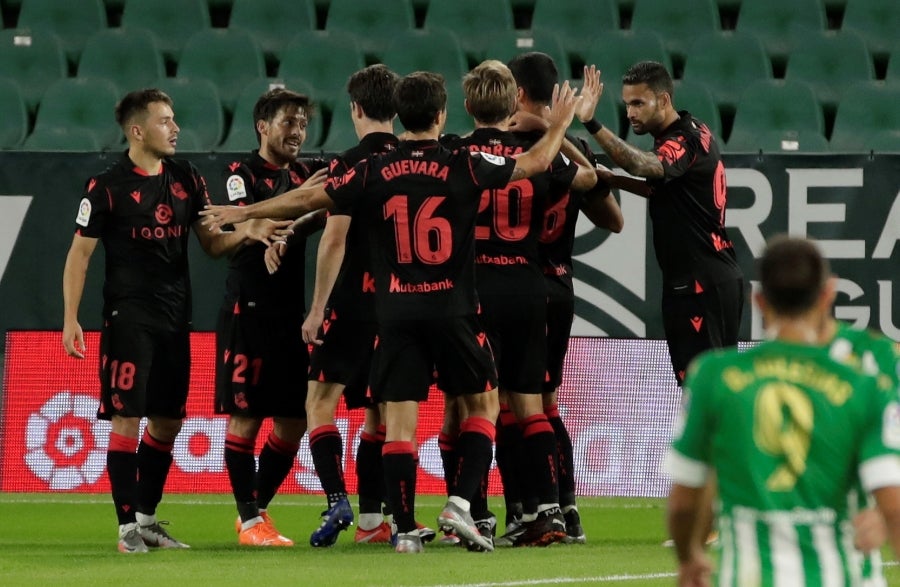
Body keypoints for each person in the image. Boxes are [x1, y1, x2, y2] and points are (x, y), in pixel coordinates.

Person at [200, 69, 583, 554]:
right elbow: (535, 162)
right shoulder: (463, 161)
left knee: (397, 423)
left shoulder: (373, 168)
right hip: (454, 309)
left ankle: (402, 530)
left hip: (396, 313)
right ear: (442, 115)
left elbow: (310, 199)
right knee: (483, 406)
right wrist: (561, 124)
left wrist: (243, 213)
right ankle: (462, 505)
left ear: (400, 115)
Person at [62, 88, 289, 553]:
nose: (176, 128)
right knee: (126, 418)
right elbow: (78, 256)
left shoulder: (186, 177)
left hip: (175, 318)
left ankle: (146, 519)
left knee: (167, 421)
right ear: (138, 130)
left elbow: (210, 242)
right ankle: (127, 529)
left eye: (174, 119)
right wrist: (71, 319)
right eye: (165, 121)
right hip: (129, 318)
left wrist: (248, 230)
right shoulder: (106, 186)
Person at [665, 235, 900, 586]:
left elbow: (686, 498)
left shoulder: (715, 377)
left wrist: (689, 556)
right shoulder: (865, 380)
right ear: (828, 294)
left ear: (757, 301)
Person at [442, 59, 597, 549]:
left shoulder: (452, 155)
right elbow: (589, 181)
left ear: (467, 106)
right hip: (527, 287)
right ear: (513, 103)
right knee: (532, 406)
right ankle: (548, 511)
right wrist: (556, 128)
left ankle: (478, 513)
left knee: (468, 408)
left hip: (473, 290)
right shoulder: (538, 152)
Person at [502, 51, 625, 546]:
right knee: (548, 404)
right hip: (561, 287)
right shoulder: (569, 149)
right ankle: (568, 510)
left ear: (516, 94)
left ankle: (527, 511)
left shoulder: (505, 149)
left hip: (516, 285)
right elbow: (614, 220)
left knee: (512, 406)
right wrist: (569, 134)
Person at [290, 64, 409, 547]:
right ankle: (371, 523)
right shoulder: (415, 160)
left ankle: (336, 496)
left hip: (352, 303)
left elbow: (334, 239)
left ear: (355, 108)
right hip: (401, 305)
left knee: (321, 401)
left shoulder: (348, 164)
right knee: (378, 414)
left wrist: (318, 306)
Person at [575, 62, 744, 386]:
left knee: (706, 390)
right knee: (710, 387)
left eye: (638, 103)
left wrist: (591, 122)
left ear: (664, 101)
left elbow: (642, 164)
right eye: (627, 104)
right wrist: (615, 181)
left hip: (701, 282)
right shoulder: (689, 130)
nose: (630, 113)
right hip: (705, 278)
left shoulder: (682, 140)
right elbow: (664, 187)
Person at [214, 88, 329, 547]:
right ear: (263, 126)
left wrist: (307, 204)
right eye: (288, 122)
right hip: (248, 309)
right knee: (245, 416)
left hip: (288, 313)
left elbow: (317, 213)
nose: (298, 131)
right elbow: (242, 222)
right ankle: (248, 519)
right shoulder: (239, 174)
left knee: (292, 421)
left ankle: (254, 510)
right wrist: (300, 198)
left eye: (302, 123)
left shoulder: (304, 174)